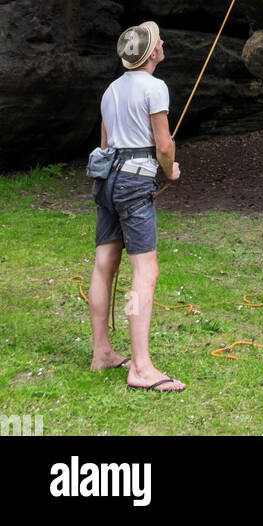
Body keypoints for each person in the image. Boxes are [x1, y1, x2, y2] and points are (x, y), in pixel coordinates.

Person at [88, 21, 185, 392]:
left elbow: (106, 142)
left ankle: (102, 353)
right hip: (133, 181)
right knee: (145, 271)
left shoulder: (111, 90)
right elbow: (163, 145)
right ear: (153, 53)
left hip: (107, 180)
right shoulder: (155, 87)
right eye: (158, 40)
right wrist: (170, 171)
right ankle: (141, 368)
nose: (162, 41)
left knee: (104, 264)